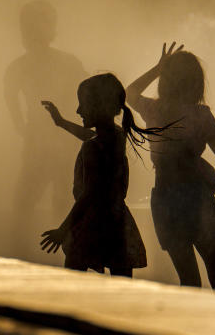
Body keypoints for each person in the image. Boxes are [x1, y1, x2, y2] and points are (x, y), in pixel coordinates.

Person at [126, 43, 215, 291]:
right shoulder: (201, 115)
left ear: (166, 80)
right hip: (197, 198)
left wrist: (156, 68)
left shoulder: (154, 109)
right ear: (197, 83)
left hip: (165, 200)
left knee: (188, 280)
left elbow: (129, 93)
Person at [39, 73, 164, 276]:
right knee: (122, 288)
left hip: (91, 224)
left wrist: (63, 230)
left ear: (100, 105)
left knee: (73, 282)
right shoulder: (116, 136)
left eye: (83, 104)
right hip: (118, 222)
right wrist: (61, 122)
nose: (78, 110)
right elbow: (92, 135)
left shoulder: (93, 147)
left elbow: (89, 193)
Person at [4, 1, 86, 248]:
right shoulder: (22, 66)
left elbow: (10, 97)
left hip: (57, 141)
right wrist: (21, 125)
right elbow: (10, 97)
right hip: (46, 141)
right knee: (32, 202)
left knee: (48, 201)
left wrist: (21, 124)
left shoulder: (61, 63)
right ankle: (30, 253)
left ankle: (59, 256)